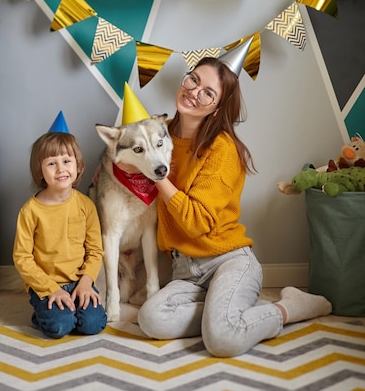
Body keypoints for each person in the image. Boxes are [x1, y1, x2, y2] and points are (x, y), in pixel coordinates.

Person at [137, 53, 332, 357]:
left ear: (216, 109)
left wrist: (155, 171)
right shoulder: (157, 133)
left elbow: (197, 222)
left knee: (223, 340)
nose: (193, 92)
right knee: (151, 319)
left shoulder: (223, 149)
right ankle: (227, 310)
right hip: (184, 269)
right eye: (193, 80)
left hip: (227, 260)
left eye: (207, 93)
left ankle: (288, 307)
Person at [13, 130, 107, 339]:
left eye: (66, 161)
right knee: (59, 327)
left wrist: (85, 283)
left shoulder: (86, 205)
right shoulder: (30, 211)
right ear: (40, 171)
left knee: (94, 324)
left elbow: (94, 250)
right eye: (51, 163)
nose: (61, 169)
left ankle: (69, 310)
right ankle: (44, 315)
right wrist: (50, 290)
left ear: (78, 166)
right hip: (46, 285)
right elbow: (22, 258)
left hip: (79, 281)